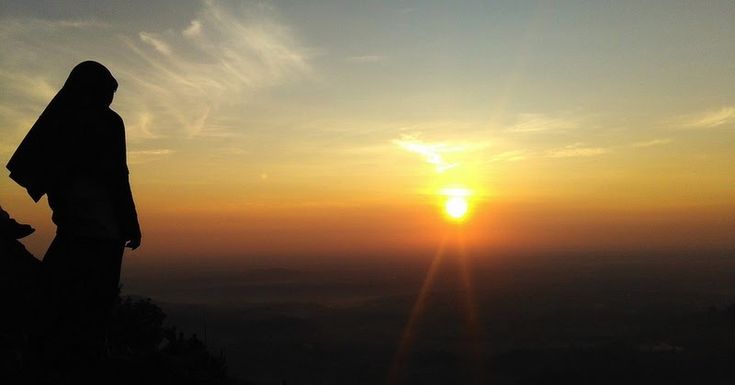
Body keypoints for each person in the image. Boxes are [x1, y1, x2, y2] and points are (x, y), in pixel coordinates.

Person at [6, 61, 141, 374]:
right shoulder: (108, 123)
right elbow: (117, 177)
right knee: (97, 296)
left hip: (70, 224)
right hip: (103, 227)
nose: (111, 99)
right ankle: (86, 355)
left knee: (62, 290)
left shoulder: (60, 121)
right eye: (109, 92)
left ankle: (53, 351)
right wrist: (131, 224)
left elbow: (43, 173)